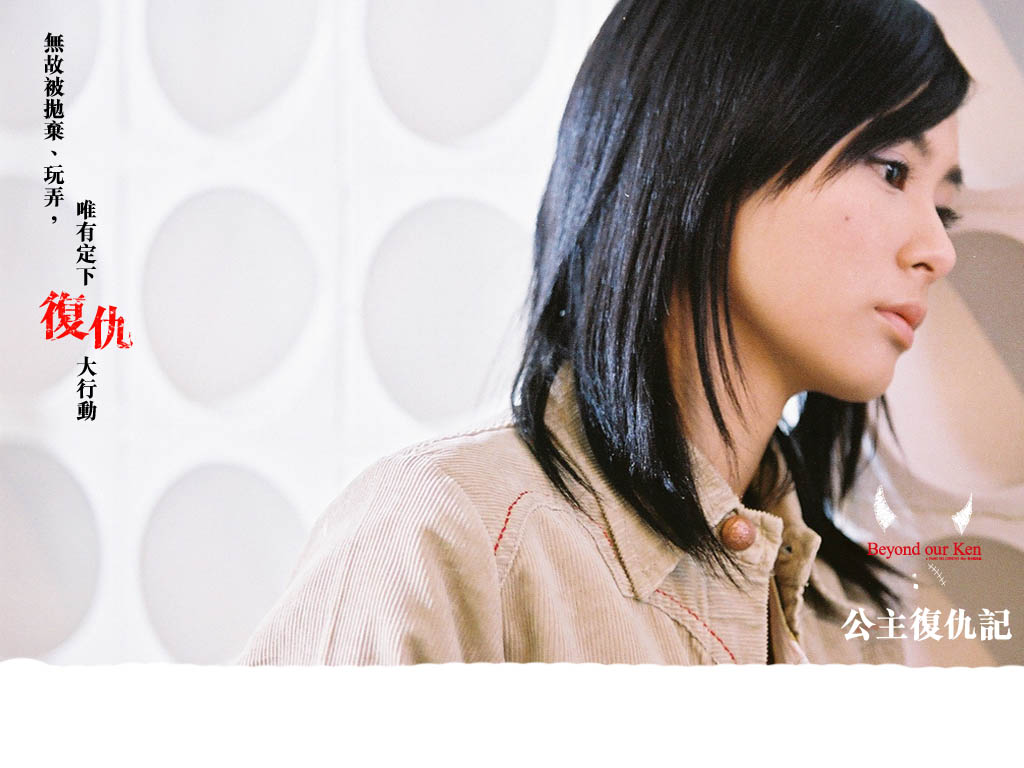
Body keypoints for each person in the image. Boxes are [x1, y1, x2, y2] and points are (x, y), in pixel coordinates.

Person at [238, 0, 970, 665]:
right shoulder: (445, 535)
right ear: (712, 139)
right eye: (893, 172)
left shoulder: (844, 619)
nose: (939, 251)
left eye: (945, 209)